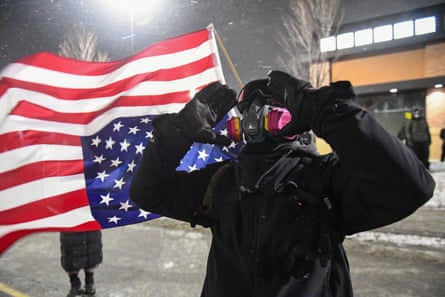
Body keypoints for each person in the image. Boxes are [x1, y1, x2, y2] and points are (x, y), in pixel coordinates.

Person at [130, 70, 435, 297]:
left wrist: (329, 112)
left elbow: (411, 187)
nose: (256, 119)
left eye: (271, 110)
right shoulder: (223, 181)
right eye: (247, 111)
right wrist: (178, 132)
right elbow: (148, 191)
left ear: (297, 119)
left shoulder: (324, 178)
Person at [60, 230, 103, 296]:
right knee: (90, 252)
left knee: (72, 257)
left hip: (71, 228)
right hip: (91, 226)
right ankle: (89, 284)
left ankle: (76, 285)